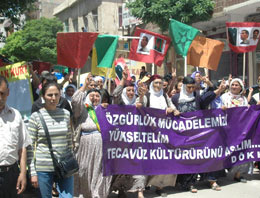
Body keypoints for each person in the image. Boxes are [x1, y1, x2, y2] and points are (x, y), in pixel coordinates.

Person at [171, 76, 226, 193]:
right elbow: (170, 111)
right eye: (188, 87)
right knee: (186, 158)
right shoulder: (175, 98)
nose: (191, 90)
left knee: (197, 156)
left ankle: (201, 179)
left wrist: (219, 90)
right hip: (182, 134)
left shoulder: (196, 97)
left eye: (193, 87)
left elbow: (206, 99)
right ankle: (188, 183)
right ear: (184, 86)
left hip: (197, 133)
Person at [27, 81, 74, 197]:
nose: (53, 98)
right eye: (50, 95)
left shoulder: (66, 114)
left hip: (64, 166)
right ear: (43, 96)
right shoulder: (35, 117)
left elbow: (69, 141)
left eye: (56, 94)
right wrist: (33, 172)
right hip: (44, 167)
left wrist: (71, 161)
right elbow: (30, 147)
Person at [136, 74, 180, 197]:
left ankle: (159, 186)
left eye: (160, 83)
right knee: (146, 160)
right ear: (152, 84)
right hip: (148, 134)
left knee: (161, 159)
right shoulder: (148, 96)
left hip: (163, 134)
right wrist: (141, 96)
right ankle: (141, 188)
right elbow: (140, 105)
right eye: (156, 83)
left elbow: (173, 108)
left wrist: (172, 110)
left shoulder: (165, 96)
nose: (158, 85)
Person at [72, 73, 112, 198]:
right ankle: (85, 193)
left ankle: (97, 195)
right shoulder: (82, 109)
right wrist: (84, 87)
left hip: (101, 147)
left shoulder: (105, 110)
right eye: (92, 95)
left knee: (99, 171)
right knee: (84, 170)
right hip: (85, 146)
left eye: (97, 96)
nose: (95, 98)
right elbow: (75, 101)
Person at [112, 68, 146, 198]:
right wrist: (123, 80)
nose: (131, 92)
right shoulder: (119, 104)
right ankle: (121, 189)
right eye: (129, 90)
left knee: (138, 165)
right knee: (122, 166)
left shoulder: (139, 102)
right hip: (121, 140)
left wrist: (142, 96)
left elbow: (146, 110)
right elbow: (115, 95)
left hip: (137, 139)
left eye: (133, 90)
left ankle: (140, 191)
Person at [0, 75, 31, 198]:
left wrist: (23, 173)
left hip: (11, 174)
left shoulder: (16, 115)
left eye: (2, 93)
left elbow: (22, 147)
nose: (0, 97)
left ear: (8, 92)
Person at [220, 78, 251, 183]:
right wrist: (222, 108)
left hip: (240, 129)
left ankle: (238, 174)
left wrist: (248, 109)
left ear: (241, 87)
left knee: (241, 150)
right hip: (226, 129)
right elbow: (216, 109)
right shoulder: (224, 97)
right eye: (233, 85)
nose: (234, 87)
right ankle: (221, 171)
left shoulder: (244, 99)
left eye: (237, 85)